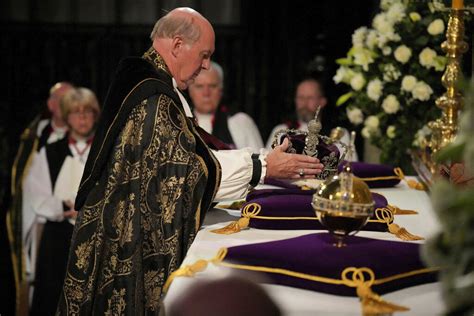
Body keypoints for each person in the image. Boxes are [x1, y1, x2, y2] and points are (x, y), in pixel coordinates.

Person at [57, 7, 323, 314]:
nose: (206, 66)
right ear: (178, 45)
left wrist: (261, 161)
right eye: (205, 55)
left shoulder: (151, 84)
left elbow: (194, 157)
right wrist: (263, 167)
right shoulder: (153, 100)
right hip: (124, 249)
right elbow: (184, 175)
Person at [26, 87, 100, 315]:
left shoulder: (102, 150)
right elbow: (36, 193)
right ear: (67, 117)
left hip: (95, 234)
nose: (82, 118)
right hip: (58, 236)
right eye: (76, 113)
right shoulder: (50, 152)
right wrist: (61, 208)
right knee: (53, 295)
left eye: (87, 112)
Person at [6, 81, 74, 314]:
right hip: (37, 222)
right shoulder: (35, 136)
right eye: (64, 101)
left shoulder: (82, 138)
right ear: (52, 105)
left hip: (68, 223)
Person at [266, 78, 357, 161]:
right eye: (300, 97)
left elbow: (349, 167)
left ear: (322, 101)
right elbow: (269, 164)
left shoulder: (338, 133)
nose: (304, 103)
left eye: (310, 98)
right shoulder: (281, 131)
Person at [188, 61, 263, 152]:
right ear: (190, 91)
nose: (206, 93)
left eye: (212, 86)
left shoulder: (241, 122)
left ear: (221, 90)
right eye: (199, 86)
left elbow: (260, 162)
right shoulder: (181, 122)